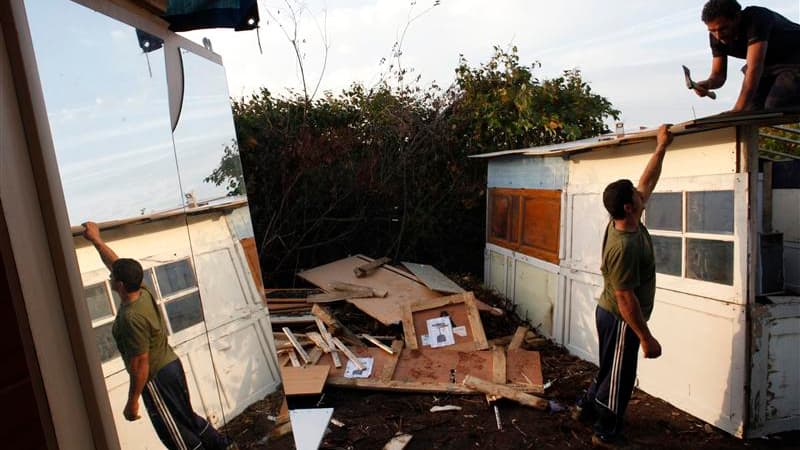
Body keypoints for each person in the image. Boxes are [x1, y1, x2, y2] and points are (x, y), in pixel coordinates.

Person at [82, 222, 235, 450]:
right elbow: (117, 264)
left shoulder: (130, 318)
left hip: (156, 377)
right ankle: (223, 446)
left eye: (112, 276)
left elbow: (140, 364)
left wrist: (132, 401)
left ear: (120, 285)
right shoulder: (142, 292)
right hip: (172, 366)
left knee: (174, 433)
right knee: (187, 418)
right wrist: (97, 240)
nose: (110, 276)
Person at [572, 124, 673, 448]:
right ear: (629, 206)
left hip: (613, 314)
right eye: (634, 195)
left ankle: (585, 408)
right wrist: (646, 337)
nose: (640, 194)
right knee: (621, 375)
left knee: (610, 368)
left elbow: (646, 182)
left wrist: (661, 147)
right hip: (620, 317)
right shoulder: (624, 245)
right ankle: (606, 429)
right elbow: (624, 296)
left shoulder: (625, 218)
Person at [693, 0, 800, 111]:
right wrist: (709, 83)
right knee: (751, 110)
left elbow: (754, 68)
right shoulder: (716, 37)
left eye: (723, 28)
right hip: (769, 68)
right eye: (712, 30)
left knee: (775, 105)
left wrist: (736, 112)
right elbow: (718, 75)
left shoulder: (756, 18)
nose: (718, 35)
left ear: (737, 17)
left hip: (795, 61)